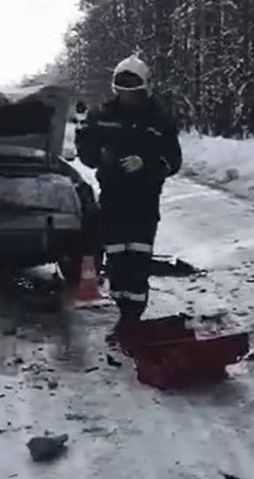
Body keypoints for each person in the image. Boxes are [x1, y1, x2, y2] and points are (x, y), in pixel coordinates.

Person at [75, 54, 182, 333]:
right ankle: (123, 311)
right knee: (117, 259)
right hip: (113, 198)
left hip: (144, 202)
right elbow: (85, 149)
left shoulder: (159, 120)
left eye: (133, 93)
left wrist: (147, 164)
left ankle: (133, 316)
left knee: (138, 260)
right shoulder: (103, 116)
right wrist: (101, 154)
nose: (128, 98)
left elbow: (173, 159)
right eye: (123, 92)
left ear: (145, 90)